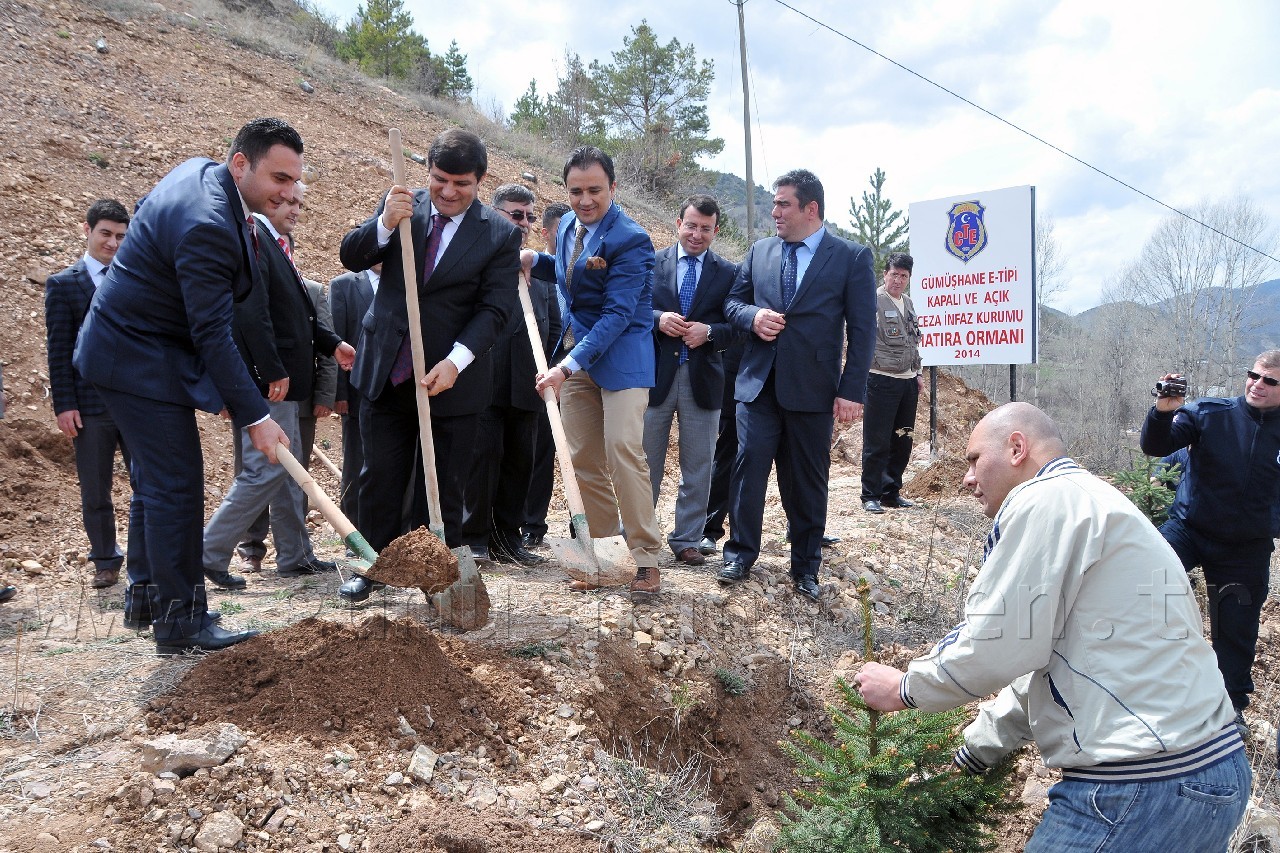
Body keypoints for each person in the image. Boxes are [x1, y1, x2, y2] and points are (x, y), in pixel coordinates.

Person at [856, 402, 1248, 853]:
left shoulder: (1046, 500)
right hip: (1212, 771)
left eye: (974, 460)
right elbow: (1051, 665)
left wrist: (905, 687)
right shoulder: (1093, 501)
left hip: (1140, 784)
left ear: (1017, 447)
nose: (967, 478)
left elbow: (998, 639)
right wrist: (976, 750)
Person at [74, 117, 312, 653]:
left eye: (293, 180)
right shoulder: (208, 222)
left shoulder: (203, 174)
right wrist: (256, 417)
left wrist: (232, 396)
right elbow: (211, 331)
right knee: (176, 485)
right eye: (278, 178)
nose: (287, 191)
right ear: (240, 164)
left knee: (156, 483)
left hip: (134, 351)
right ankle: (181, 622)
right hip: (134, 359)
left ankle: (147, 595)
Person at [338, 128, 520, 603]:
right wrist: (382, 224)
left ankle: (428, 575)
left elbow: (495, 310)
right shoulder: (402, 203)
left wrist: (456, 362)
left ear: (479, 181)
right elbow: (352, 255)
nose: (448, 192)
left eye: (461, 183)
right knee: (377, 477)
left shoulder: (500, 235)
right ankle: (373, 569)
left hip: (450, 380)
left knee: (438, 485)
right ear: (428, 174)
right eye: (440, 180)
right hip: (386, 370)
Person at [717, 169, 876, 601]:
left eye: (783, 204)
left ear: (811, 209)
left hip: (814, 388)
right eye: (774, 203)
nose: (775, 212)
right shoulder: (761, 251)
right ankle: (740, 554)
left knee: (807, 478)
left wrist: (851, 390)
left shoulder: (850, 257)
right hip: (758, 384)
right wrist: (753, 317)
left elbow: (863, 332)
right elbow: (733, 302)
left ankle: (806, 566)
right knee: (749, 467)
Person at [523, 146, 664, 599]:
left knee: (622, 449)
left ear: (613, 188)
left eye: (595, 191)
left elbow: (618, 313)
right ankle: (608, 558)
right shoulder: (566, 225)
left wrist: (565, 366)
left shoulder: (631, 239)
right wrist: (533, 262)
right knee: (583, 459)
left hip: (621, 359)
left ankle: (645, 560)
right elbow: (571, 276)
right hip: (579, 358)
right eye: (576, 191)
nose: (585, 201)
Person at [203, 182, 352, 585]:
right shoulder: (254, 240)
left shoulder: (276, 245)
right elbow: (251, 315)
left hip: (283, 382)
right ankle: (207, 553)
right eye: (288, 201)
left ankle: (295, 555)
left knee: (290, 472)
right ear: (268, 199)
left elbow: (295, 318)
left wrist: (332, 343)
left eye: (300, 203)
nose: (296, 210)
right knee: (266, 471)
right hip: (269, 384)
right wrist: (270, 369)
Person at [1140, 353, 1280, 724]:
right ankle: (1141, 679)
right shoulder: (1210, 413)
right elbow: (1157, 447)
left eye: (1270, 381)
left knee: (1236, 632)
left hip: (1245, 550)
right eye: (1254, 375)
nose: (1257, 384)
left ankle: (1228, 710)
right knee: (1137, 579)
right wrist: (1163, 411)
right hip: (1189, 530)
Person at [462, 184, 559, 565]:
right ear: (496, 213)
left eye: (530, 217)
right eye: (516, 215)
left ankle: (508, 539)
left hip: (527, 383)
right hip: (483, 381)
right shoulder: (477, 259)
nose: (524, 223)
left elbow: (550, 325)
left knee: (521, 461)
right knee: (482, 459)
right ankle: (474, 537)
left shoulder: (540, 274)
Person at [642, 194, 739, 566]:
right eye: (691, 225)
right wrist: (658, 320)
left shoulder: (729, 273)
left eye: (705, 228)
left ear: (715, 231)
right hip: (654, 377)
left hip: (703, 378)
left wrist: (710, 332)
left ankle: (686, 539)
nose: (696, 234)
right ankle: (638, 535)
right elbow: (633, 308)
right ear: (678, 223)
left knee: (699, 464)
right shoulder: (652, 263)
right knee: (644, 461)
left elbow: (739, 325)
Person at [44, 199, 132, 590]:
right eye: (106, 234)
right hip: (89, 408)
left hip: (135, 404)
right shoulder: (63, 285)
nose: (113, 243)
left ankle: (147, 558)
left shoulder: (134, 280)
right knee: (96, 490)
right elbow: (58, 350)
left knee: (148, 486)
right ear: (88, 230)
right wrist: (64, 404)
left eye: (120, 237)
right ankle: (105, 559)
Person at [522, 202, 570, 550]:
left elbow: (557, 325)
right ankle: (528, 524)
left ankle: (575, 524)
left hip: (573, 368)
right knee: (535, 448)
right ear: (548, 233)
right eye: (561, 233)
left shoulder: (585, 269)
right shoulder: (534, 271)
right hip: (539, 372)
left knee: (569, 451)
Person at [861, 252, 922, 514]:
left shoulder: (907, 303)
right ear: (885, 274)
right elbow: (860, 339)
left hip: (907, 382)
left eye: (903, 276)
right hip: (881, 379)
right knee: (878, 440)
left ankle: (891, 491)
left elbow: (913, 340)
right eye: (894, 274)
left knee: (903, 439)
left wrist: (917, 373)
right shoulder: (872, 301)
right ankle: (870, 494)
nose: (898, 280)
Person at [328, 262, 380, 525]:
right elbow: (334, 338)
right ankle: (354, 529)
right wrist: (339, 393)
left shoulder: (408, 283)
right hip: (357, 391)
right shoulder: (344, 285)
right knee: (356, 462)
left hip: (395, 393)